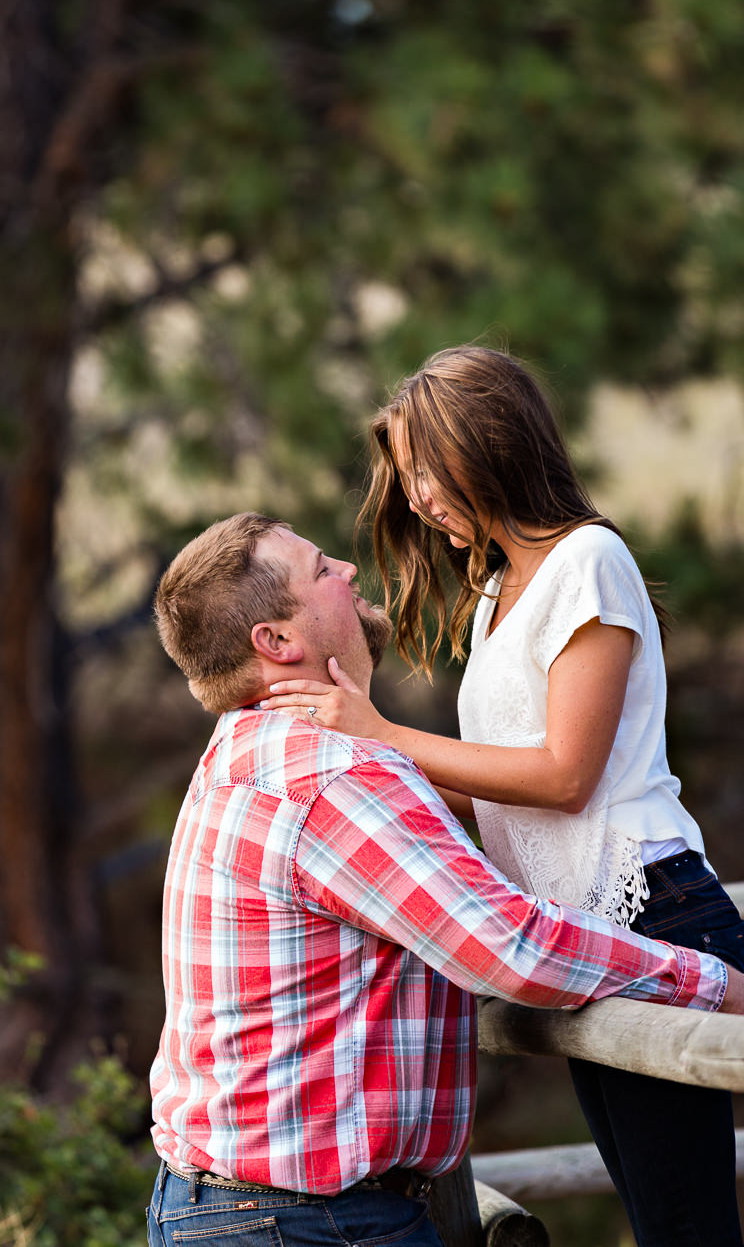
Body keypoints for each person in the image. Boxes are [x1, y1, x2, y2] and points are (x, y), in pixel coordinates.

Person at [149, 510, 744, 1247]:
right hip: (309, 1224)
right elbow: (511, 947)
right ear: (277, 642)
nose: (348, 568)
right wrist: (715, 984)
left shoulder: (241, 754)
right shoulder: (332, 779)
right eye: (321, 570)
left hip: (246, 1211)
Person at [259, 344, 744, 1247]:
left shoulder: (589, 560)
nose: (413, 499)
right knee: (661, 1221)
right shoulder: (493, 595)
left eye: (421, 472)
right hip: (582, 935)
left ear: (487, 445)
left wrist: (387, 738)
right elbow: (497, 801)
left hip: (652, 908)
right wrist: (366, 790)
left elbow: (566, 776)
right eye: (403, 480)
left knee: (687, 1228)